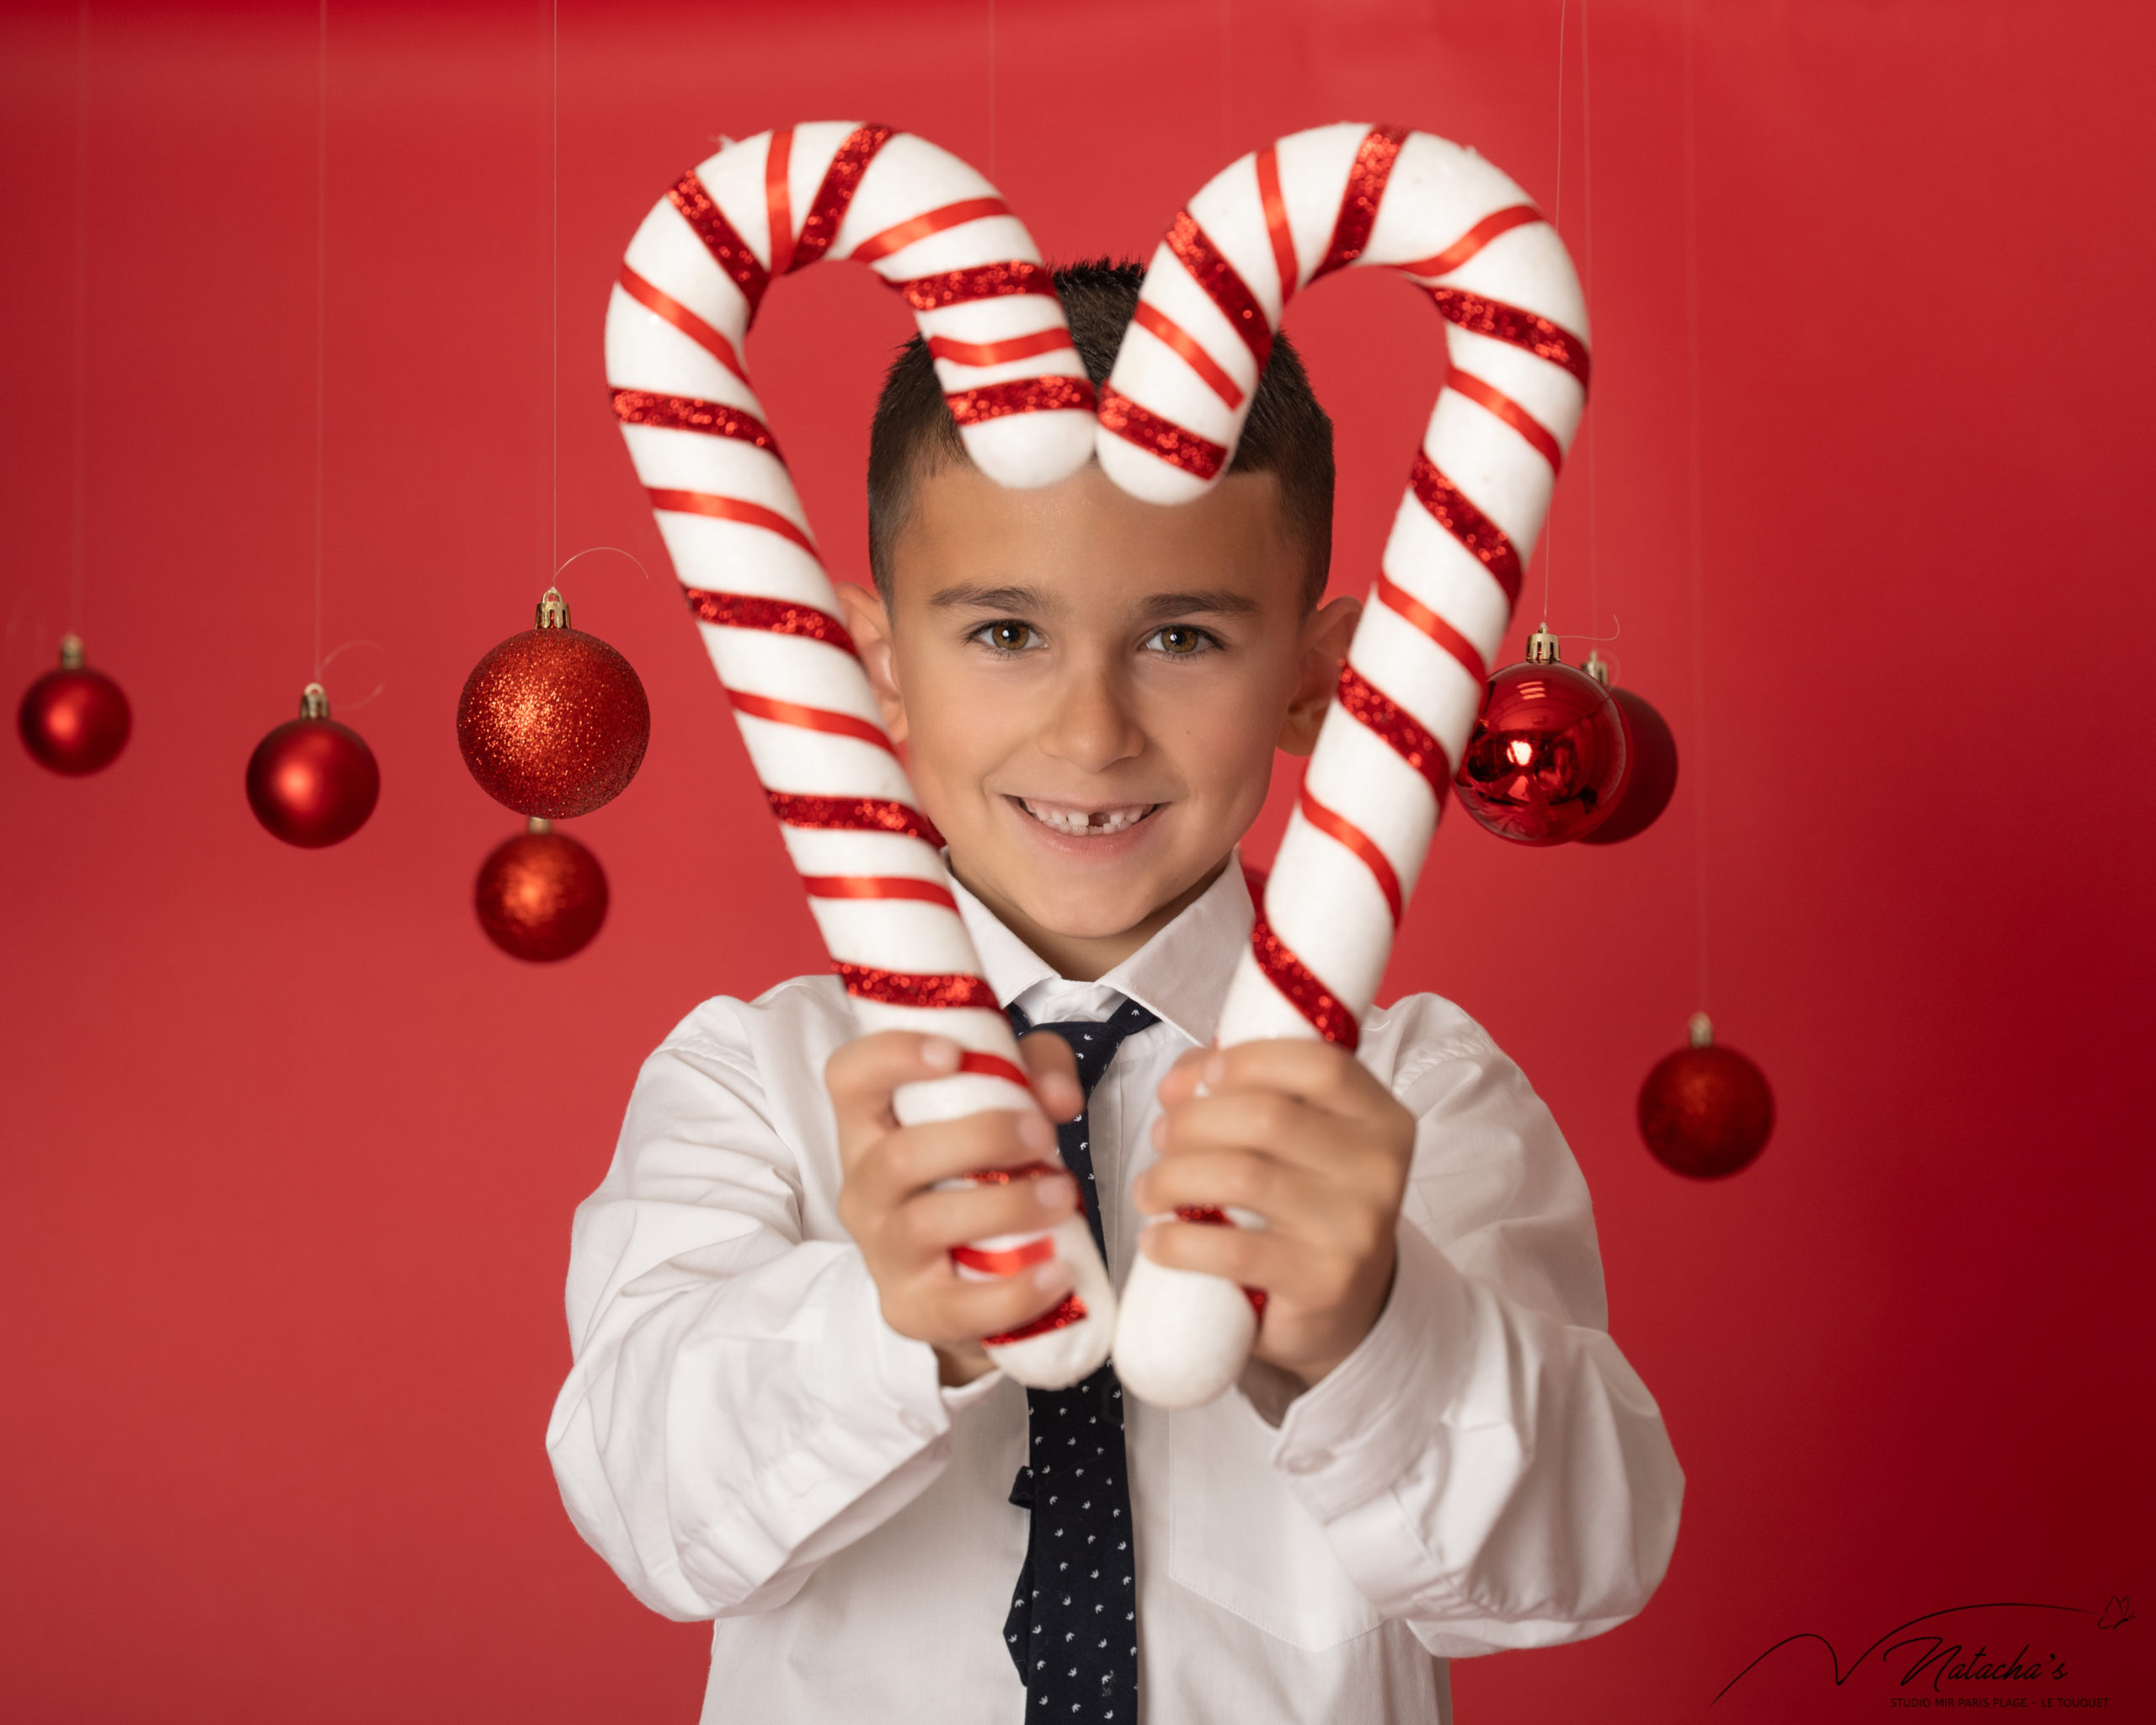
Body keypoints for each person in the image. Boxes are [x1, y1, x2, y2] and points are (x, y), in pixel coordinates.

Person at [547, 260, 1683, 1723]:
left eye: (1182, 636)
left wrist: (1378, 1328)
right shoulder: (750, 1081)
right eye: (1005, 632)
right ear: (873, 671)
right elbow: (651, 1516)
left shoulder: (1413, 1097)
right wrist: (889, 1321)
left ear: (1314, 682)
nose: (1091, 732)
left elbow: (1575, 1566)